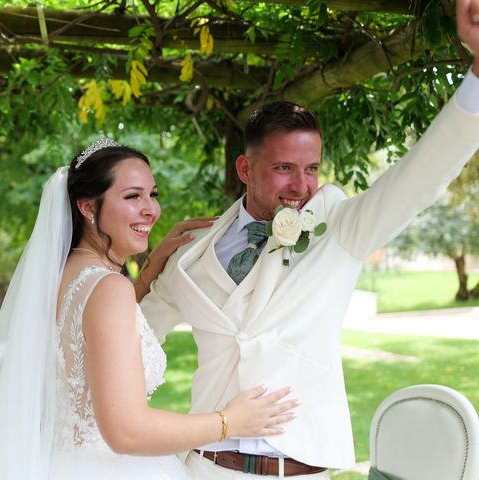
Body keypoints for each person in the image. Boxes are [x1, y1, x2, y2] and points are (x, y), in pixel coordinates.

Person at [140, 2, 479, 478]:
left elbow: (420, 177)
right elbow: (131, 342)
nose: (302, 186)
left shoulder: (339, 228)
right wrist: (150, 266)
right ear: (245, 169)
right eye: (284, 168)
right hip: (204, 467)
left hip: (299, 470)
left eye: (312, 168)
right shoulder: (191, 252)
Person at [0, 141, 299, 480]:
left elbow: (94, 328)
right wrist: (230, 422)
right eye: (132, 196)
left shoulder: (62, 276)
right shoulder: (109, 288)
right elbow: (126, 431)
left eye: (152, 195)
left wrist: (153, 264)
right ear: (88, 206)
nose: (151, 209)